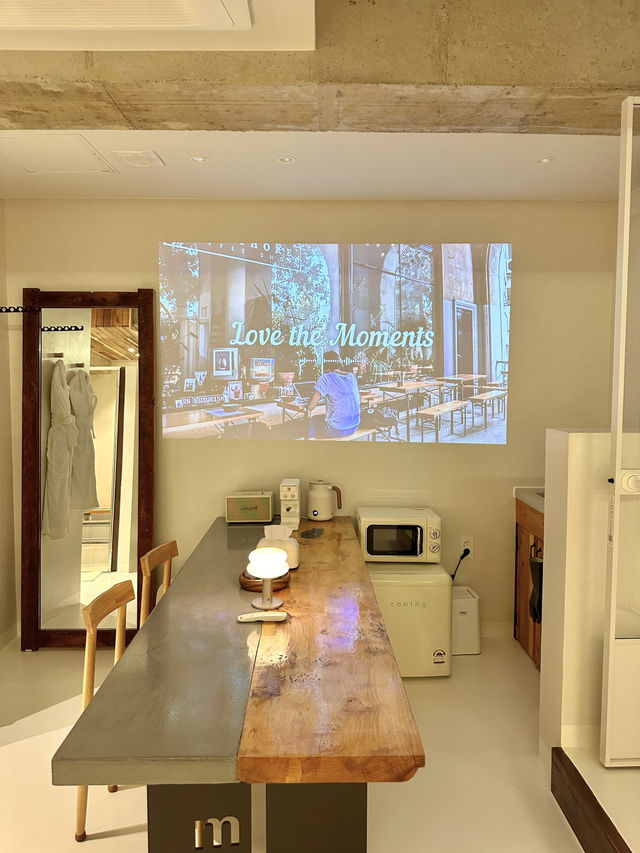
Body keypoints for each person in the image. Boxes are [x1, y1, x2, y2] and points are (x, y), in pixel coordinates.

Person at [306, 351, 360, 438]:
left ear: (325, 364)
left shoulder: (325, 378)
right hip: (354, 426)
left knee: (313, 421)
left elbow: (310, 407)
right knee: (325, 418)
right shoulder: (351, 376)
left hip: (337, 429)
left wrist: (311, 397)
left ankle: (310, 444)